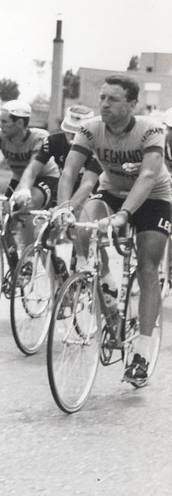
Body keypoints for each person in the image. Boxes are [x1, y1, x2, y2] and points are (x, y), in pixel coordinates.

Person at [56, 75, 171, 388]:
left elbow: (148, 175)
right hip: (111, 191)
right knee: (84, 224)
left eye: (113, 99)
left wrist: (124, 215)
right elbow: (69, 171)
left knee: (148, 266)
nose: (104, 104)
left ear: (131, 104)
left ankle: (142, 354)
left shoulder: (151, 128)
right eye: (102, 97)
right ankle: (105, 287)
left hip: (153, 197)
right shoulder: (90, 128)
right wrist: (64, 207)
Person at [0, 100, 60, 263]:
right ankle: (14, 266)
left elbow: (33, 168)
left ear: (18, 123)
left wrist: (24, 191)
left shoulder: (39, 137)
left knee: (24, 207)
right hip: (18, 179)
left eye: (4, 121)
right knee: (3, 221)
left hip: (44, 178)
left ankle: (29, 258)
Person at [13, 104, 100, 211]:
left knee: (79, 219)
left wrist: (67, 210)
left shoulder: (97, 148)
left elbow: (88, 184)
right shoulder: (53, 141)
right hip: (63, 188)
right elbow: (32, 169)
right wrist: (24, 189)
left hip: (91, 193)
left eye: (77, 133)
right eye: (69, 132)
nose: (73, 138)